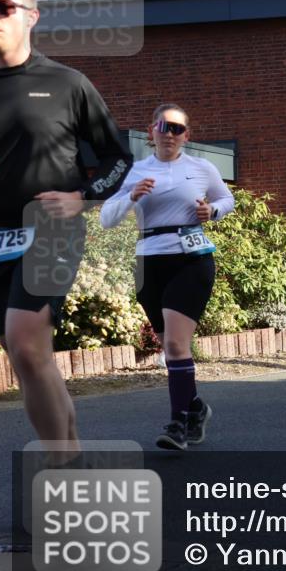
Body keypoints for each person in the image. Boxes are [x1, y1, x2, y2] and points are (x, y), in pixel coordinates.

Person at [0, 0, 133, 465]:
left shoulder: (66, 83)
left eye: (3, 6)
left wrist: (82, 197)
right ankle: (73, 454)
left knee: (24, 341)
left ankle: (63, 471)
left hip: (52, 228)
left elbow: (117, 157)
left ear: (32, 16)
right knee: (30, 357)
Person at [101, 104, 234, 450]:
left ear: (186, 136)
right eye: (165, 126)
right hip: (148, 263)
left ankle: (178, 423)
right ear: (152, 130)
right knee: (169, 347)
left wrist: (212, 211)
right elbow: (106, 218)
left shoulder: (201, 167)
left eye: (178, 129)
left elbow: (226, 199)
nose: (170, 134)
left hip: (191, 259)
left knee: (176, 344)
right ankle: (195, 407)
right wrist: (131, 196)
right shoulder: (136, 171)